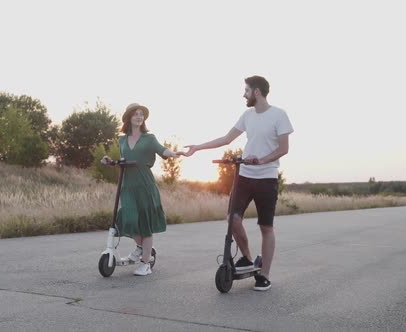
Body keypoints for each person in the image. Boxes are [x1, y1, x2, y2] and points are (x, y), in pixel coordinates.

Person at [180, 76, 293, 291]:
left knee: (265, 226)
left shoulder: (279, 115)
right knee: (232, 219)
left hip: (267, 177)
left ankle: (264, 275)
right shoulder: (247, 115)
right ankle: (248, 259)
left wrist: (262, 160)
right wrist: (198, 147)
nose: (244, 94)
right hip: (245, 175)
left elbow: (284, 149)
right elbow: (226, 139)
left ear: (257, 92)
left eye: (246, 90)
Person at [101, 103, 180, 276]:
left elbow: (162, 150)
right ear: (129, 117)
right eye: (135, 114)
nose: (139, 117)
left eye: (141, 114)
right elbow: (123, 159)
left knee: (145, 224)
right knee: (127, 219)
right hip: (127, 185)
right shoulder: (122, 140)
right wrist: (110, 161)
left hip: (145, 185)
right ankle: (141, 247)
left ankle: (145, 263)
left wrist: (173, 153)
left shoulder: (149, 138)